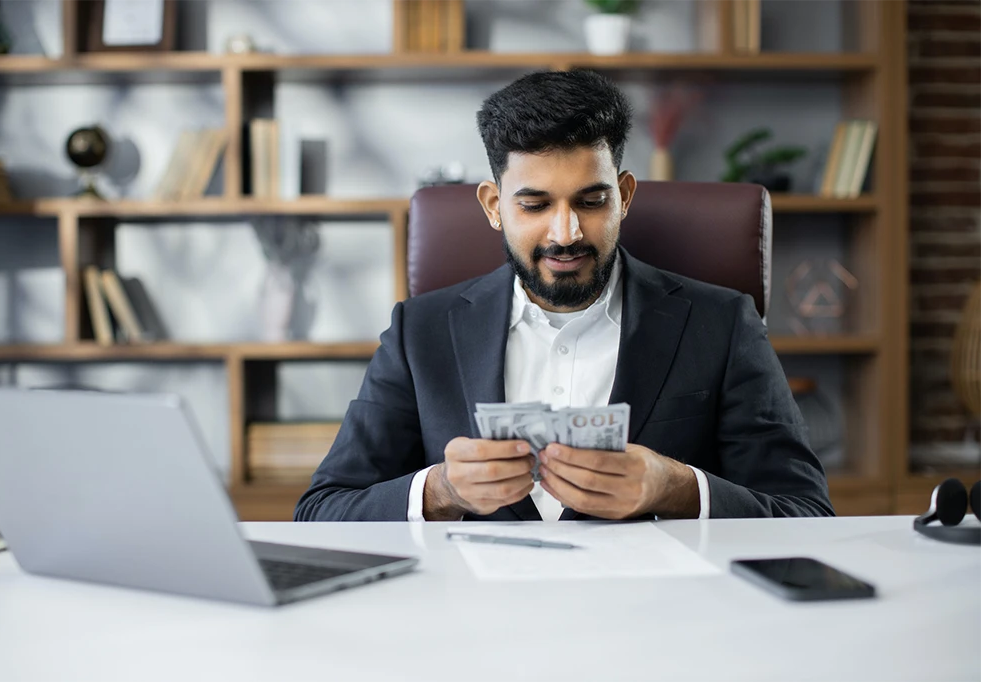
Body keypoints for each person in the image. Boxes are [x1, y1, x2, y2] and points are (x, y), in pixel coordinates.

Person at [294, 70, 834, 522]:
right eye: (534, 205)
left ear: (623, 197)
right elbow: (321, 510)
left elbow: (806, 513)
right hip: (472, 625)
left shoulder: (723, 323)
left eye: (591, 201)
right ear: (493, 206)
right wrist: (440, 491)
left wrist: (675, 487)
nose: (565, 233)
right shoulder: (420, 332)